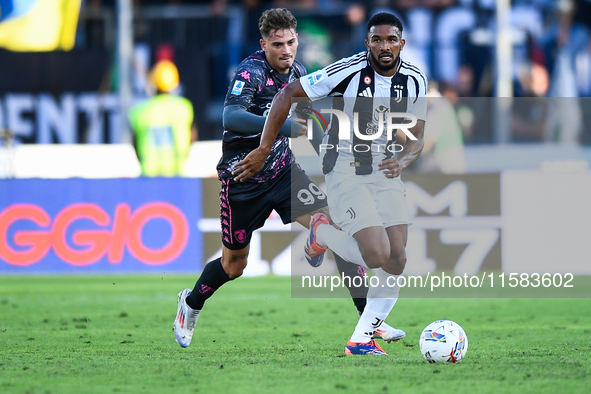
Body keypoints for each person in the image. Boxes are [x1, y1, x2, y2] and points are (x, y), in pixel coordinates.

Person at [172, 8, 402, 349]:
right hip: (243, 178)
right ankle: (190, 304)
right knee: (233, 265)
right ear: (263, 44)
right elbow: (231, 115)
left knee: (337, 229)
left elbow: (309, 118)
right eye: (277, 44)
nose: (286, 50)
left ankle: (368, 318)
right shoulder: (250, 72)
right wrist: (286, 126)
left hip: (283, 173)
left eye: (291, 42)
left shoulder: (298, 71)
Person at [233, 12, 427, 355]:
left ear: (402, 44)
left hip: (384, 169)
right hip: (345, 166)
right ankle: (321, 232)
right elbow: (287, 95)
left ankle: (360, 339)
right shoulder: (348, 70)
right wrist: (264, 148)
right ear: (367, 43)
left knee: (397, 258)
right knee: (377, 254)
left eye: (391, 40)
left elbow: (416, 135)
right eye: (377, 40)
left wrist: (404, 159)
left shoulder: (414, 80)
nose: (384, 46)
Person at [128, 60, 197, 177]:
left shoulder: (139, 111)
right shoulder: (184, 107)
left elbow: (134, 141)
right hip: (177, 173)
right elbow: (192, 136)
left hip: (148, 175)